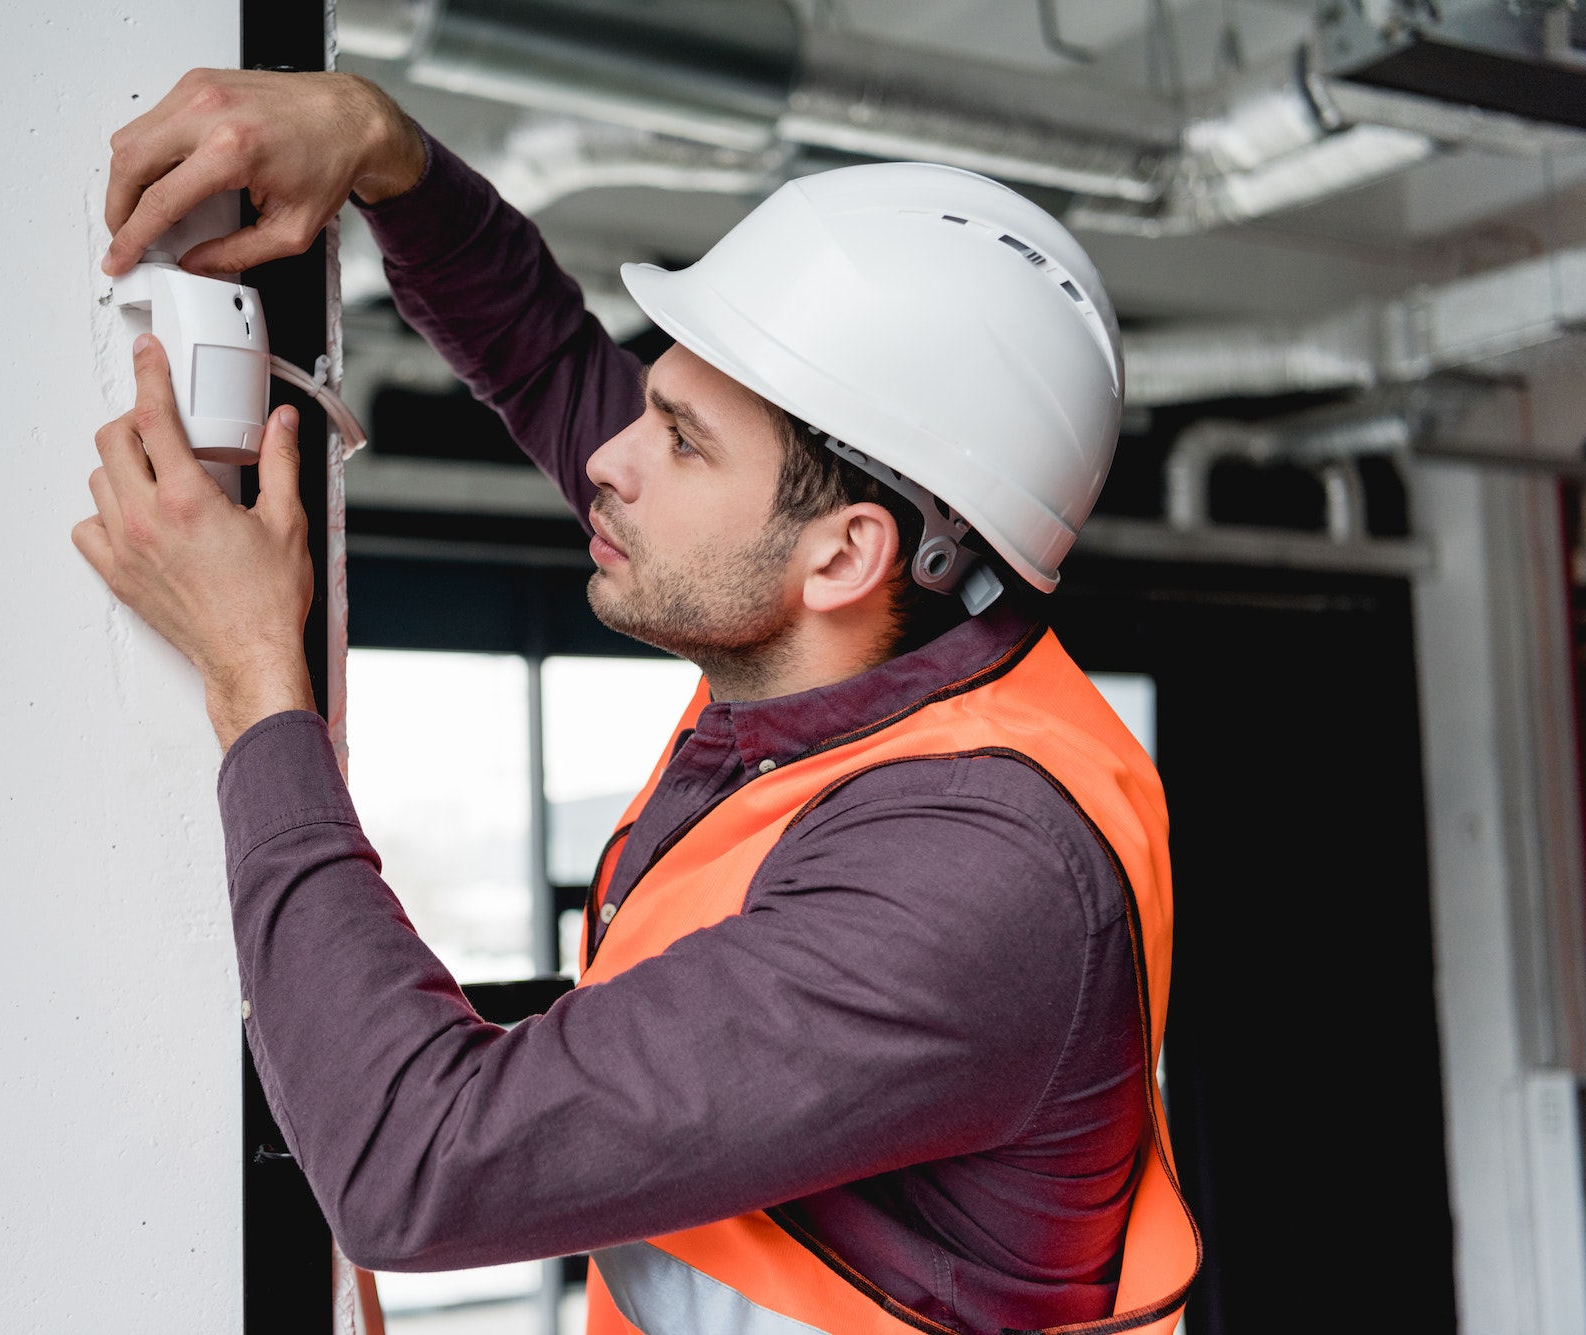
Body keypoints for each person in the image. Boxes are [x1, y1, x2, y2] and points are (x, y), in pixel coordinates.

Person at [74, 68, 1197, 1335]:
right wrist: (386, 153)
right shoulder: (843, 659)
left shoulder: (971, 879)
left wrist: (252, 677)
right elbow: (553, 367)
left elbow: (419, 1165)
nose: (608, 456)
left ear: (844, 555)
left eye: (679, 440)